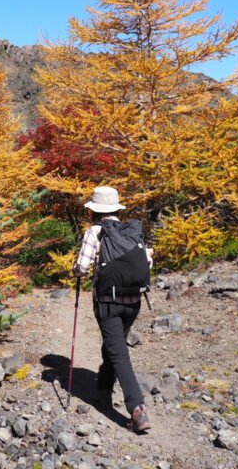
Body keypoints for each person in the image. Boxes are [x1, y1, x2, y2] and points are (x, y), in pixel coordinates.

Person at [73, 185, 152, 434]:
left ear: (95, 211)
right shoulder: (132, 231)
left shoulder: (94, 232)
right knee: (113, 345)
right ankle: (103, 391)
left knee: (118, 353)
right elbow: (147, 261)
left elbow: (83, 267)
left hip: (107, 302)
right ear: (117, 208)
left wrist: (76, 270)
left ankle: (137, 408)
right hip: (134, 301)